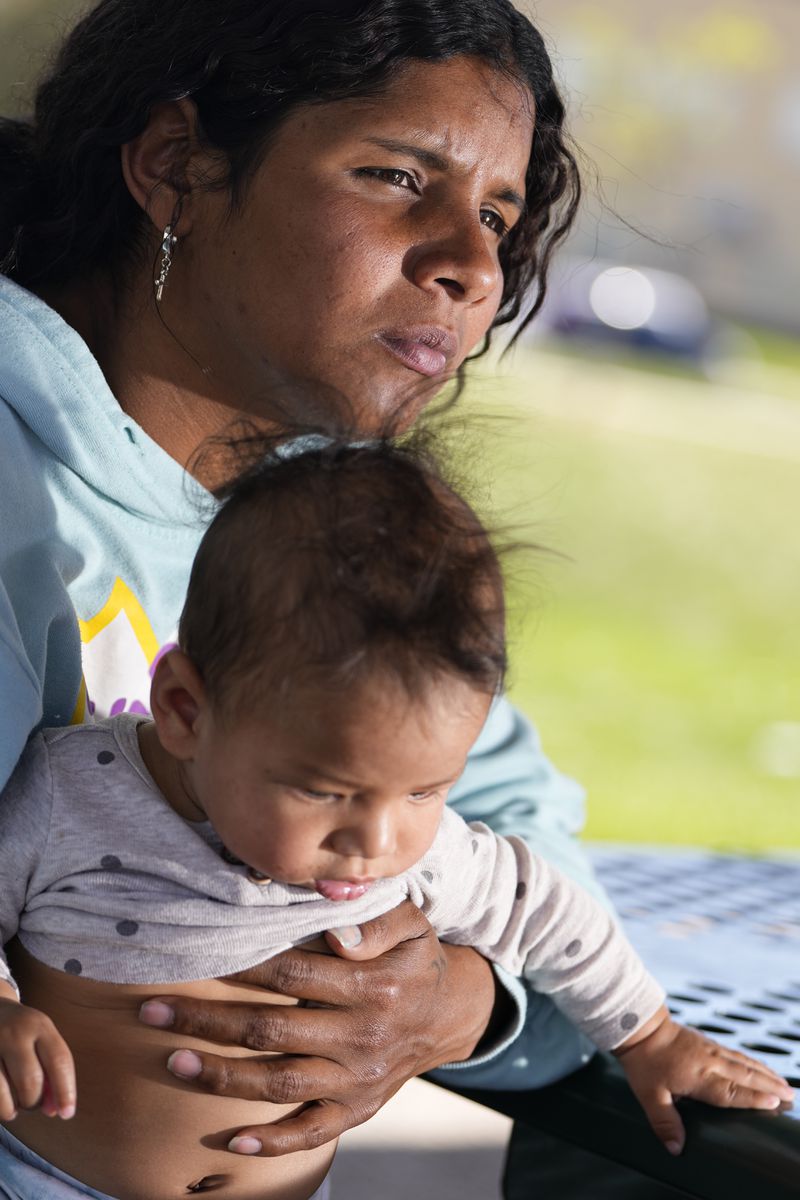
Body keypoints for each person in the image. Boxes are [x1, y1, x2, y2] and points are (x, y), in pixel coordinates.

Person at [0, 0, 617, 1179]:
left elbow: (527, 843)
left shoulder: (328, 526)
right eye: (396, 177)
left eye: (496, 214)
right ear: (175, 164)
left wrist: (458, 1001)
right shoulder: (17, 498)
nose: (473, 266)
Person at [0, 432, 791, 1200]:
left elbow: (547, 911)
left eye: (425, 792)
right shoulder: (73, 792)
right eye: (323, 791)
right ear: (184, 711)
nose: (375, 843)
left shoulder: (421, 852)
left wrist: (649, 1038)